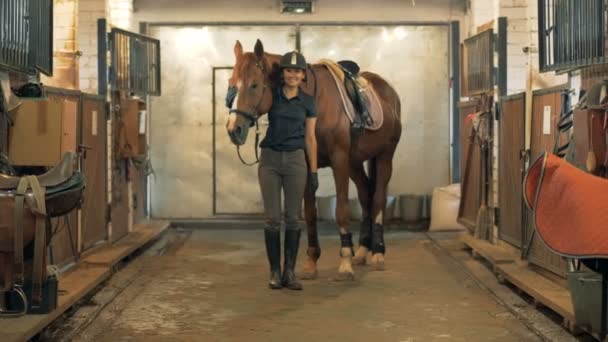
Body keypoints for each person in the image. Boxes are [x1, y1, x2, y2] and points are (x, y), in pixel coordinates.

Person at [260, 51, 318, 290]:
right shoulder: (271, 96)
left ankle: (290, 272)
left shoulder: (308, 102)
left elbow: (311, 138)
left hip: (296, 161)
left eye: (297, 70)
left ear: (303, 75)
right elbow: (250, 105)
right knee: (273, 218)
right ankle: (274, 271)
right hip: (270, 161)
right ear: (282, 73)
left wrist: (313, 172)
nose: (293, 74)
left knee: (293, 218)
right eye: (288, 70)